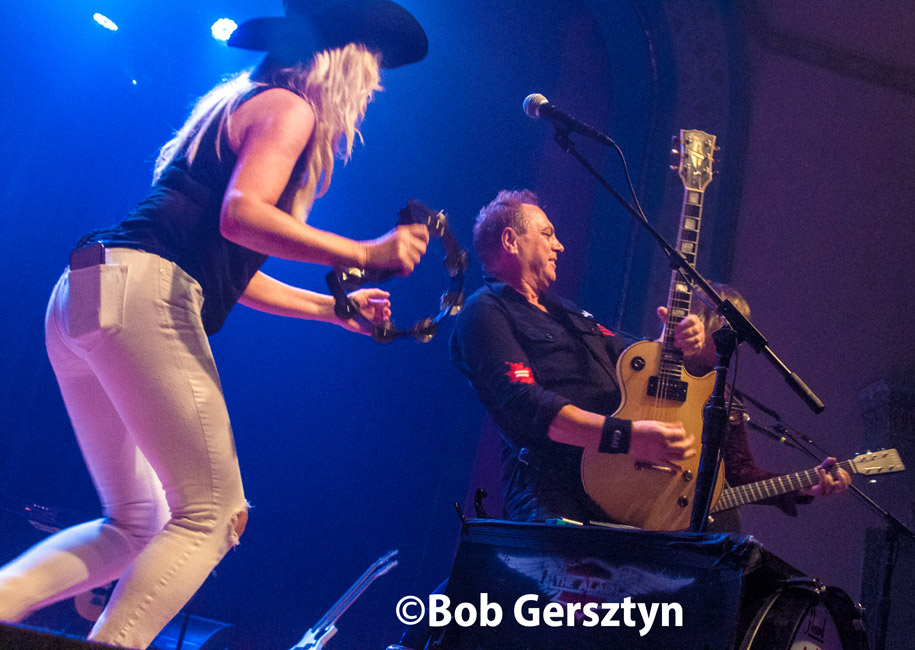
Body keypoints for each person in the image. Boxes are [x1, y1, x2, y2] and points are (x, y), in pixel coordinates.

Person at [0, 1, 429, 648]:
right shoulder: (292, 108)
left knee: (135, 523)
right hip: (142, 293)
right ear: (345, 61)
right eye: (374, 70)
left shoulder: (240, 104)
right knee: (214, 514)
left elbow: (230, 264)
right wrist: (365, 253)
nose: (375, 89)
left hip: (88, 291)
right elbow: (243, 216)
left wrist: (328, 308)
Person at [450, 190, 849, 525]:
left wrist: (679, 338)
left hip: (617, 492)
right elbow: (527, 406)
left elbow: (641, 361)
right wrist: (629, 435)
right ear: (510, 241)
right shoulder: (484, 312)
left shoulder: (569, 314)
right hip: (552, 495)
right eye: (547, 234)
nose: (560, 245)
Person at [666, 283, 850, 532]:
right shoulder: (653, 370)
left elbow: (741, 473)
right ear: (700, 323)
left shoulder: (727, 398)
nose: (737, 341)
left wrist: (807, 483)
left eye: (740, 332)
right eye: (727, 327)